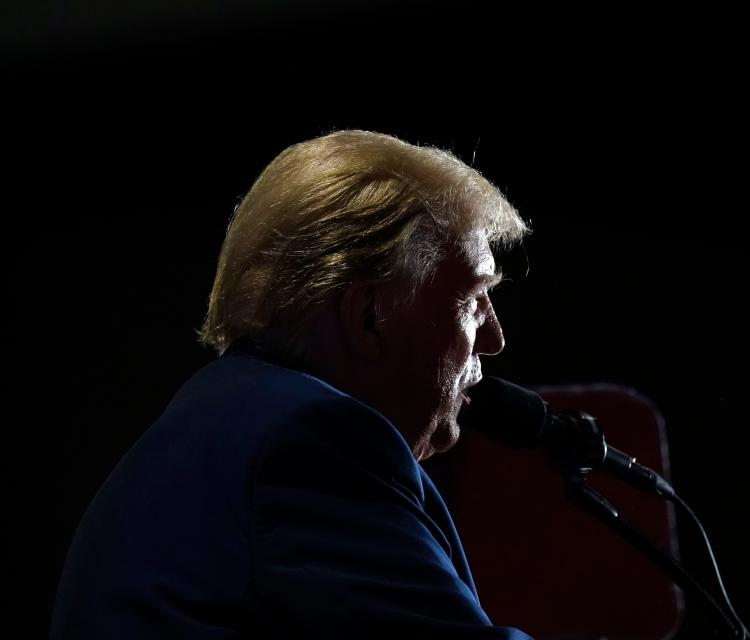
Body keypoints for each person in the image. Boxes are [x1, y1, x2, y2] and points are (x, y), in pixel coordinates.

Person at [50, 130, 534, 639]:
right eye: (476, 298)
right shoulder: (312, 443)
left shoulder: (228, 418)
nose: (495, 339)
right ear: (370, 317)